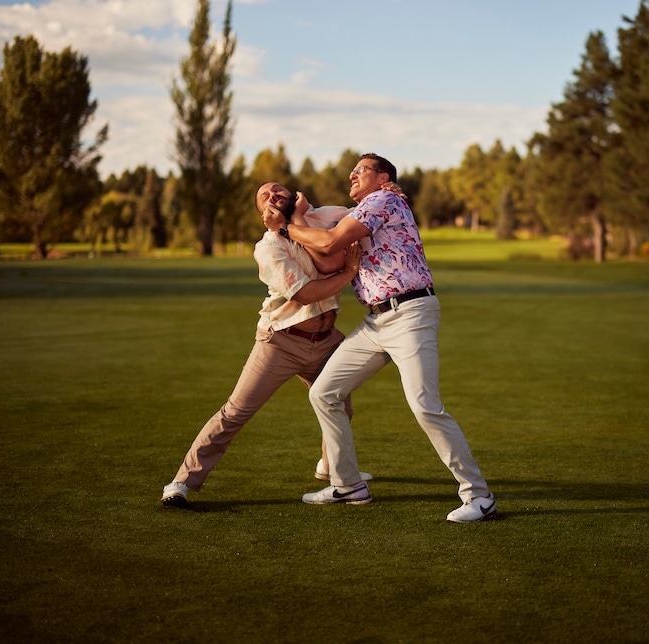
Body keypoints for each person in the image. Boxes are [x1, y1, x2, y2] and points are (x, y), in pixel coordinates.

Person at [261, 153, 497, 523]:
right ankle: (347, 484)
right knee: (324, 392)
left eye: (362, 169)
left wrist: (286, 227)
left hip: (410, 314)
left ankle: (479, 496)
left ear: (384, 177)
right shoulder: (360, 211)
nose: (352, 174)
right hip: (377, 323)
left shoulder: (383, 200)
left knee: (424, 406)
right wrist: (297, 220)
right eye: (352, 170)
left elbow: (329, 241)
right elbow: (325, 258)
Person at [160, 181, 370, 508]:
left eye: (277, 190)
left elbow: (364, 214)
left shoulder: (319, 218)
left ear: (292, 195)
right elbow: (303, 294)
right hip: (282, 342)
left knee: (340, 405)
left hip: (326, 338)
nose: (272, 195)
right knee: (235, 413)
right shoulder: (269, 247)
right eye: (263, 196)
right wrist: (350, 272)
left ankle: (332, 469)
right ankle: (181, 482)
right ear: (262, 213)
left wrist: (387, 194)